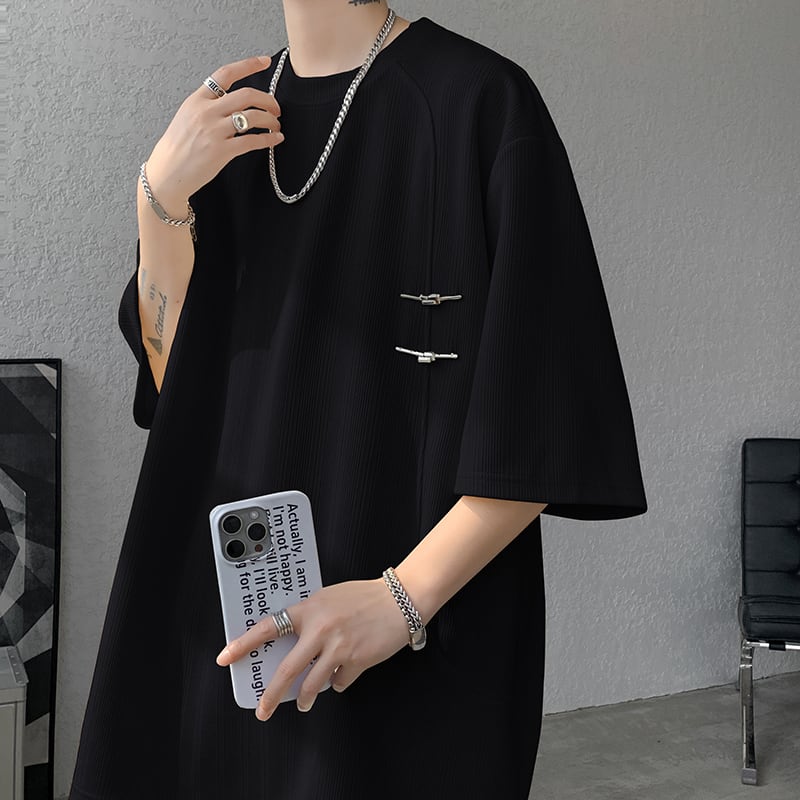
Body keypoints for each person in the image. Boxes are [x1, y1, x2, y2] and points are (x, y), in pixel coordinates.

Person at [70, 3, 647, 798]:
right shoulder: (227, 125)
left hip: (407, 644)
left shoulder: (480, 102)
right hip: (224, 610)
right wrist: (157, 200)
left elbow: (542, 411)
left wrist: (400, 601)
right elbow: (182, 394)